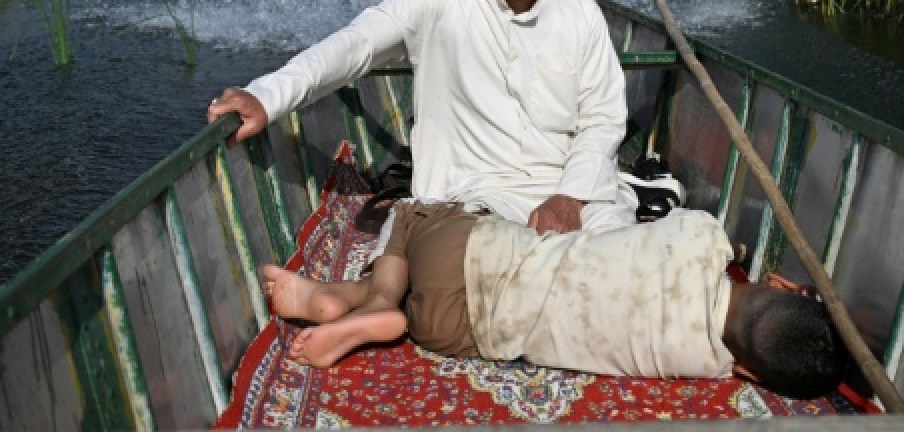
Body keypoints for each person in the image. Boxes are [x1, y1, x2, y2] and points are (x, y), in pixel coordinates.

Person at [208, 0, 638, 235]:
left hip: (574, 190)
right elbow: (357, 44)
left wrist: (569, 198)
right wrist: (266, 97)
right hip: (475, 198)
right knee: (481, 258)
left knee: (628, 255)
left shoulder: (580, 11)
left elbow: (602, 118)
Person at [261, 201, 849, 401]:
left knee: (414, 216)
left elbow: (682, 230)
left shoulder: (701, 234)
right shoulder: (702, 362)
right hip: (458, 327)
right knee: (421, 309)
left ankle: (369, 297)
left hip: (472, 251)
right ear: (746, 371)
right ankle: (363, 305)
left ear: (778, 285)